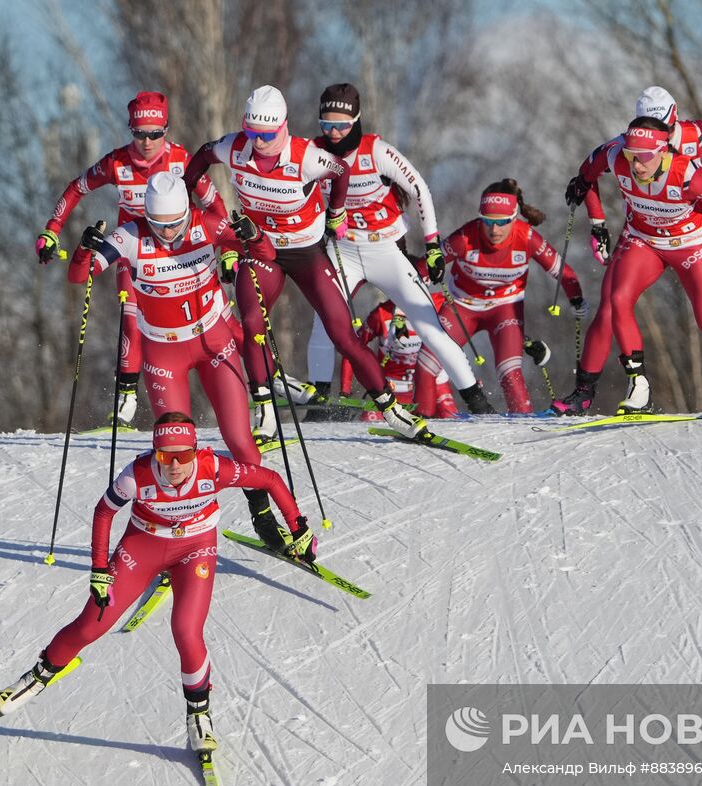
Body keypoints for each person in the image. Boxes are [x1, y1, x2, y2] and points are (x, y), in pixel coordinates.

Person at [0, 413, 315, 757]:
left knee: (186, 631)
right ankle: (39, 675)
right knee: (92, 624)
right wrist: (99, 568)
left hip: (196, 548)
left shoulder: (215, 468)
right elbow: (103, 513)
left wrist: (298, 527)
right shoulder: (136, 476)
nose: (174, 465)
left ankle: (199, 714)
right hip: (142, 547)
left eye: (183, 456)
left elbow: (269, 479)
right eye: (165, 455)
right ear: (154, 451)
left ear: (195, 450)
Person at [182, 85, 428, 441]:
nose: (260, 142)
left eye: (267, 134)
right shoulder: (235, 147)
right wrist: (183, 192)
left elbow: (341, 171)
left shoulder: (307, 156)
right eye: (253, 133)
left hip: (307, 253)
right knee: (251, 322)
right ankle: (264, 409)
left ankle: (391, 408)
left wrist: (337, 212)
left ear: (283, 127)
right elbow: (204, 154)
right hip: (261, 249)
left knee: (343, 334)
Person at [67, 171, 292, 549]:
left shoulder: (207, 224)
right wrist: (84, 250)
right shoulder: (132, 236)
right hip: (163, 355)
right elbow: (81, 276)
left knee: (239, 438)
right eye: (159, 225)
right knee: (173, 452)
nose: (168, 233)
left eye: (175, 224)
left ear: (188, 211)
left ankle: (263, 516)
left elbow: (267, 255)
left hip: (214, 343)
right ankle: (176, 536)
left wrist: (253, 235)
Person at [552, 86, 702, 415]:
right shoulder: (619, 152)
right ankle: (620, 387)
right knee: (613, 303)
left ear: (672, 123)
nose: (636, 163)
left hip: (692, 239)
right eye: (632, 150)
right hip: (643, 237)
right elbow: (586, 174)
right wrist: (598, 225)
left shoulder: (690, 155)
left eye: (660, 130)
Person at [37, 91, 229, 429]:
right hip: (134, 252)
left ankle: (260, 391)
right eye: (139, 133)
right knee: (131, 317)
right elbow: (75, 188)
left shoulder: (182, 161)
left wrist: (226, 248)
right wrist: (52, 229)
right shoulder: (117, 163)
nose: (147, 141)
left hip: (180, 257)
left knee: (218, 319)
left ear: (166, 130)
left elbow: (215, 207)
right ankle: (124, 406)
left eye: (156, 133)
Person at [306, 83, 494, 415]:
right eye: (326, 125)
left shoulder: (375, 150)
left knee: (426, 323)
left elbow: (419, 188)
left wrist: (433, 245)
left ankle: (477, 401)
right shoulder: (312, 152)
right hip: (343, 251)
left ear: (357, 121)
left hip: (385, 251)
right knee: (324, 320)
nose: (334, 133)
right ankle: (319, 401)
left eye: (342, 125)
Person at [432, 180, 583, 415]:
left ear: (514, 217)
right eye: (488, 222)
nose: (494, 230)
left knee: (510, 372)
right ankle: (423, 417)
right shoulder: (466, 236)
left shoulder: (526, 237)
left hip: (504, 309)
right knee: (430, 358)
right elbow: (423, 266)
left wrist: (576, 299)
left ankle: (523, 424)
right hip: (464, 306)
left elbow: (564, 272)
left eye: (502, 222)